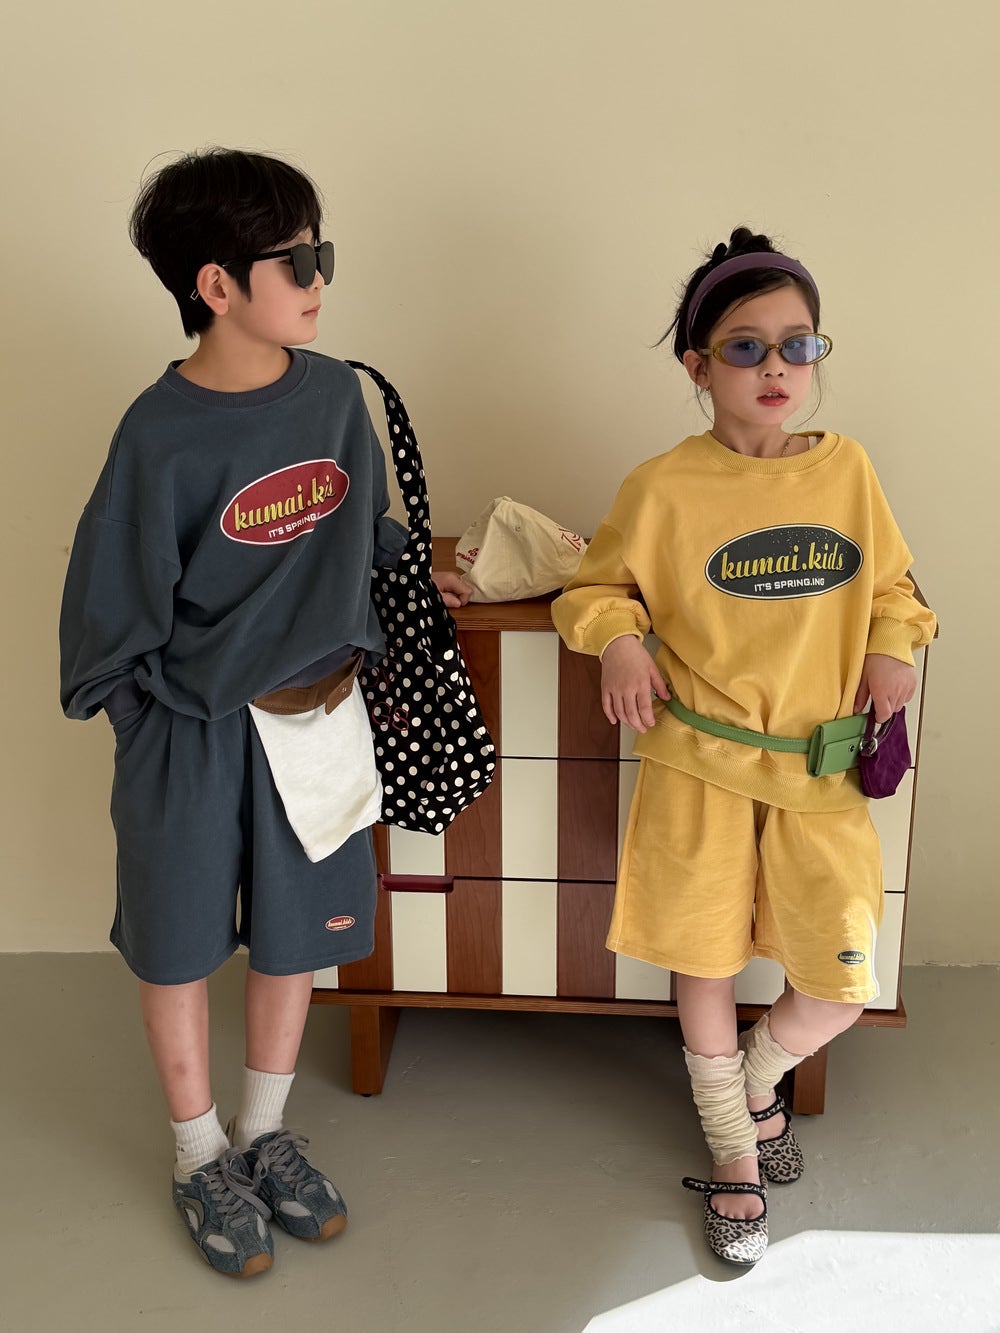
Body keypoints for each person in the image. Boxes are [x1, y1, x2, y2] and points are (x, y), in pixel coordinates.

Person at [59, 147, 470, 1278]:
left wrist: (409, 572)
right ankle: (198, 1154)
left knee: (298, 934)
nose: (319, 278)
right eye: (298, 259)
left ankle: (263, 1131)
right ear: (217, 284)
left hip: (318, 717)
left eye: (321, 253)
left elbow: (361, 522)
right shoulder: (158, 432)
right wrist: (140, 722)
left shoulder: (335, 396)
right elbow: (108, 591)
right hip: (188, 730)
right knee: (178, 939)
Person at [551, 228, 936, 1267]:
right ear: (698, 365)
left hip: (819, 768)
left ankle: (753, 1084)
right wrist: (618, 642)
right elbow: (595, 589)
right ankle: (732, 1146)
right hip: (699, 766)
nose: (776, 368)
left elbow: (896, 590)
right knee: (706, 956)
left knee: (841, 980)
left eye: (797, 345)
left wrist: (893, 645)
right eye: (746, 347)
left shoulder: (848, 473)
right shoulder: (663, 486)